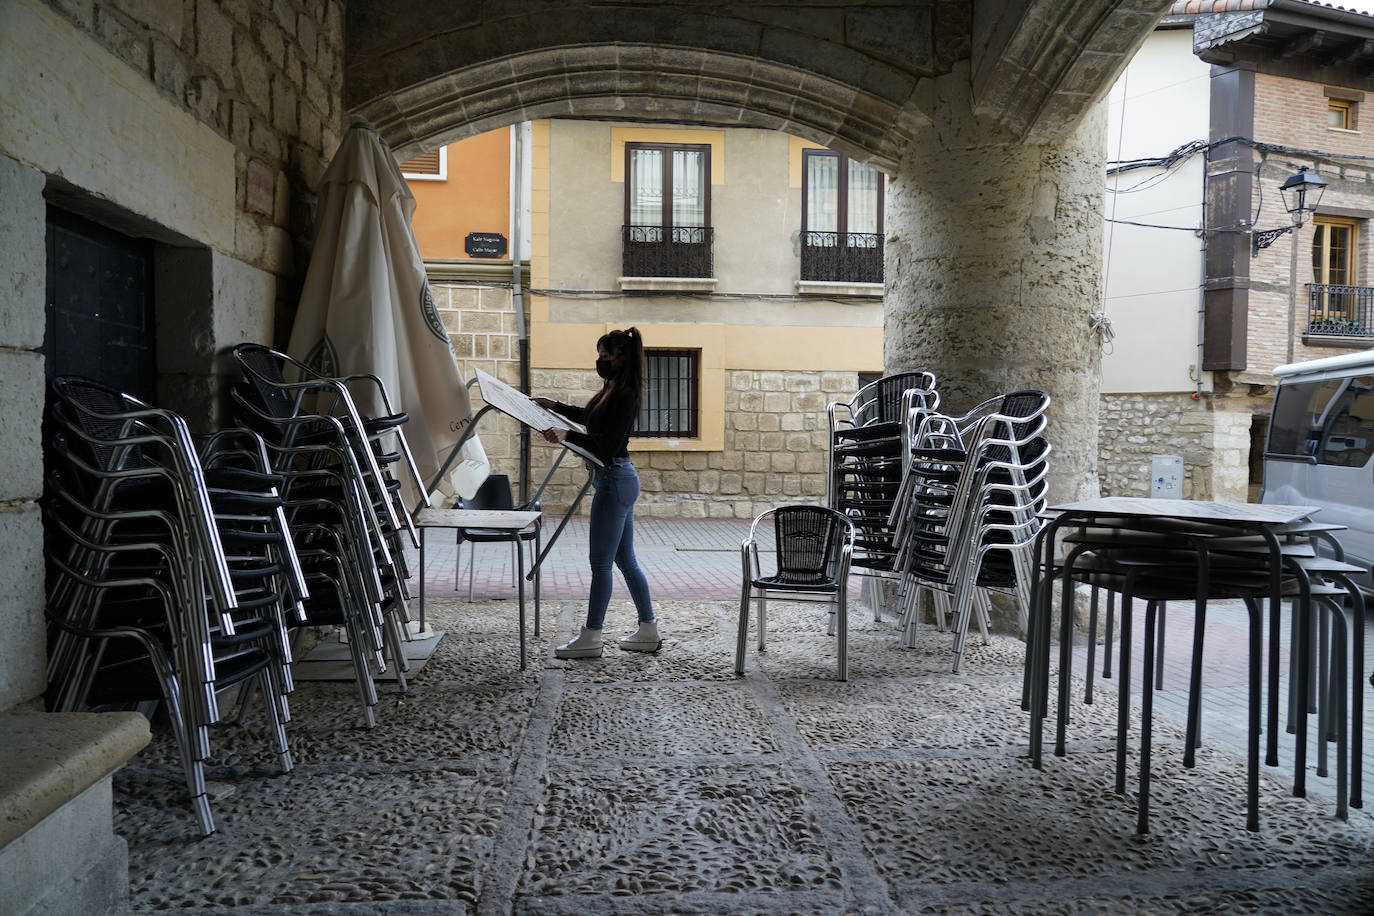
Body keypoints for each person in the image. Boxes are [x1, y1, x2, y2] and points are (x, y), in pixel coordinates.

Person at [533, 327, 659, 658]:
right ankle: (648, 630)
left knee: (601, 562)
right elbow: (591, 420)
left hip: (615, 479)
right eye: (600, 355)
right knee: (624, 559)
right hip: (617, 479)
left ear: (622, 357)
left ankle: (591, 636)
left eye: (606, 355)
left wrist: (566, 436)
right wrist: (556, 406)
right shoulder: (612, 388)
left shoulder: (626, 393)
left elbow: (608, 444)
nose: (600, 361)